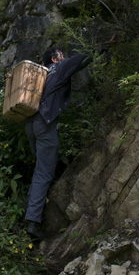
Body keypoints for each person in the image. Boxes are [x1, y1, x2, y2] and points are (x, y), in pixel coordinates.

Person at [24, 45, 93, 240]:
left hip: (30, 124)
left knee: (40, 169)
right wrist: (102, 48)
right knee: (43, 173)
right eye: (62, 56)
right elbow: (79, 60)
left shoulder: (41, 76)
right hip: (45, 124)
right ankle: (33, 222)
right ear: (54, 59)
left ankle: (29, 215)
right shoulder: (57, 68)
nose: (64, 59)